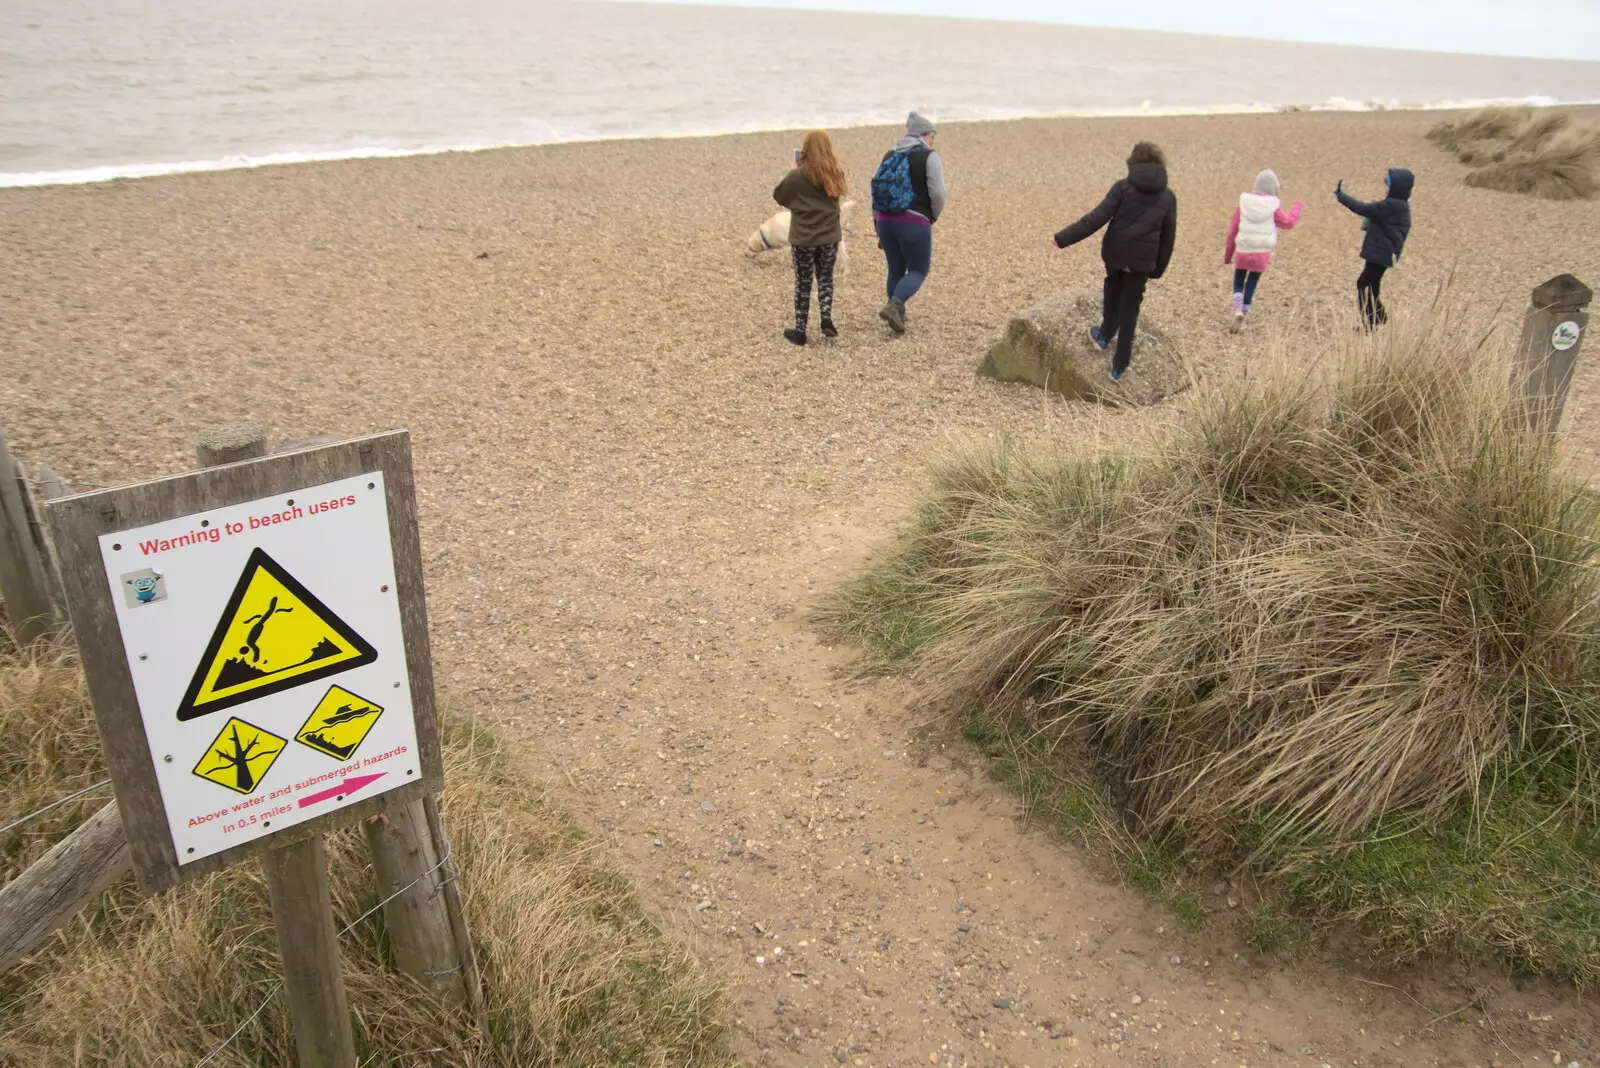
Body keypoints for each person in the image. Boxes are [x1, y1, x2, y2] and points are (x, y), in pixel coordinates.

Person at [1053, 142, 1177, 380]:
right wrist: (1158, 269)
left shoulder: (1123, 188)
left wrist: (1063, 239)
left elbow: (1097, 217)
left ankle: (1104, 336)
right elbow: (1168, 238)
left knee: (1112, 289)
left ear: (1133, 162)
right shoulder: (1168, 197)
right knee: (1130, 308)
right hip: (1142, 262)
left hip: (1116, 253)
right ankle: (1119, 367)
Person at [870, 111, 946, 335]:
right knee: (918, 269)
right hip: (914, 220)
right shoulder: (928, 156)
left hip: (884, 219)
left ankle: (896, 312)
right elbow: (939, 194)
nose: (933, 140)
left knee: (895, 268)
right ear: (923, 135)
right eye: (932, 135)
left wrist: (877, 223)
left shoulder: (889, 155)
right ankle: (895, 306)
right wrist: (932, 215)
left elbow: (875, 191)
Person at [773, 129, 849, 345]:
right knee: (825, 277)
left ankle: (800, 330)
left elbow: (779, 195)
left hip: (803, 237)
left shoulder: (797, 175)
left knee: (803, 282)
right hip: (829, 236)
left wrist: (793, 172)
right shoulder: (836, 171)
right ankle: (826, 318)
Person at [1223, 169, 1302, 333]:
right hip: (1261, 254)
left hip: (1243, 251)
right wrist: (1297, 207)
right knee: (1251, 284)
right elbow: (1288, 223)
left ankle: (1237, 310)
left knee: (1238, 282)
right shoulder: (1272, 208)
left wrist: (1228, 255)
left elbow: (1232, 231)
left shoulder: (1243, 204)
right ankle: (1243, 315)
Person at [1335, 168, 1414, 329]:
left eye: (1389, 184)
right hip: (1382, 254)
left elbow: (1362, 208)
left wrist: (1341, 196)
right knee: (1371, 285)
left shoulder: (1392, 206)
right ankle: (1378, 317)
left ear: (1396, 187)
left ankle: (1372, 322)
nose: (1386, 187)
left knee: (1363, 285)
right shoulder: (1399, 206)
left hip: (1381, 254)